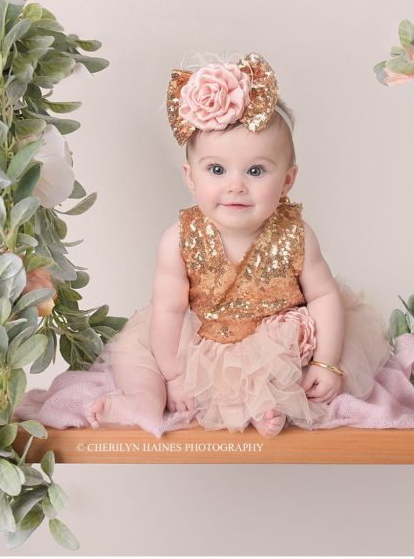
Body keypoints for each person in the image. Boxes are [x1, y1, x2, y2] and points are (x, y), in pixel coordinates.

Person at [85, 52, 393, 437]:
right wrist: (176, 376)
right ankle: (140, 400)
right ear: (190, 177)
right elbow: (167, 310)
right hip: (197, 341)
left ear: (287, 180)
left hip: (273, 343)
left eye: (256, 170)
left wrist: (326, 363)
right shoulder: (178, 240)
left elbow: (324, 298)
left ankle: (272, 406)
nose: (235, 185)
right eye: (217, 169)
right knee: (138, 355)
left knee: (309, 357)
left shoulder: (297, 235)